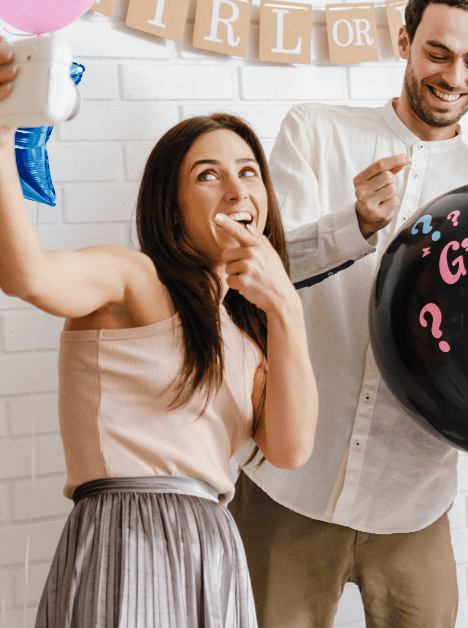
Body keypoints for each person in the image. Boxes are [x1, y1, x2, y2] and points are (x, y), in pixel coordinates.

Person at [225, 1, 468, 626]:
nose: (454, 75)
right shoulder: (315, 131)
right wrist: (355, 226)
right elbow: (258, 271)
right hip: (289, 483)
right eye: (438, 52)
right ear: (404, 40)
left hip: (413, 501)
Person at [0, 112, 318, 625]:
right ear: (172, 211)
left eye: (249, 171)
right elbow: (26, 276)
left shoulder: (246, 342)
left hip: (213, 551)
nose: (237, 190)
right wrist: (0, 135)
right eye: (208, 174)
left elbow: (292, 449)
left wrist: (286, 308)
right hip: (126, 538)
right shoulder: (134, 279)